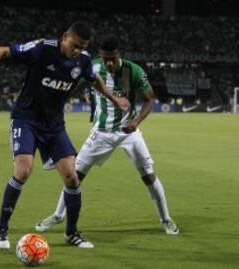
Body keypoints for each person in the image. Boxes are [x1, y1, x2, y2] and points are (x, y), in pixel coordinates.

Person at [0, 22, 130, 249]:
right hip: (26, 120)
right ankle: (1, 229)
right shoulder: (42, 48)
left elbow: (93, 80)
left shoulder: (83, 61)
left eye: (82, 47)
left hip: (54, 126)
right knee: (23, 170)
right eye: (74, 45)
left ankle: (71, 233)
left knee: (72, 177)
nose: (76, 50)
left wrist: (115, 99)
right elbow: (5, 51)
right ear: (65, 36)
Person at [35, 35, 179, 236]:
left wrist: (136, 122)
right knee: (74, 176)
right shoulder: (92, 66)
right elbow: (75, 84)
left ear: (119, 54)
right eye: (105, 58)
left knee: (148, 175)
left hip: (129, 133)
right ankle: (58, 215)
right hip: (101, 132)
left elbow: (149, 99)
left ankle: (166, 219)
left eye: (112, 58)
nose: (109, 63)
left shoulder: (134, 70)